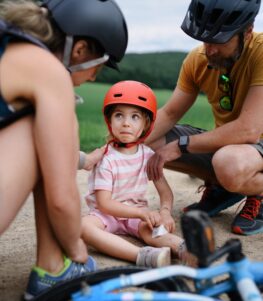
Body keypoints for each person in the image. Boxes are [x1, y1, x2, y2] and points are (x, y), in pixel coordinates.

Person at [0, 0, 127, 299]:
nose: (95, 77)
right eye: (99, 64)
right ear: (79, 49)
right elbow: (61, 198)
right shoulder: (48, 70)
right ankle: (56, 268)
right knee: (44, 129)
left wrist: (82, 159)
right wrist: (77, 249)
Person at [146, 0, 263, 236]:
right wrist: (122, 142)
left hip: (249, 147)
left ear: (247, 32)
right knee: (147, 140)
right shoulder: (197, 59)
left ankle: (256, 191)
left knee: (229, 164)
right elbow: (169, 114)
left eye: (218, 40)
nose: (209, 49)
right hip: (229, 149)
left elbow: (248, 131)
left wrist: (182, 145)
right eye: (205, 39)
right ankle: (225, 186)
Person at [81, 80, 197, 268]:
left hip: (137, 217)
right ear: (109, 121)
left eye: (135, 117)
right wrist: (141, 212)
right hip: (106, 215)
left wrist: (165, 212)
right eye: (119, 115)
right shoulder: (106, 158)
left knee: (153, 228)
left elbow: (165, 193)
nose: (126, 123)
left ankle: (187, 250)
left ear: (146, 124)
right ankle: (142, 256)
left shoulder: (148, 156)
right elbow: (105, 203)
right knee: (85, 227)